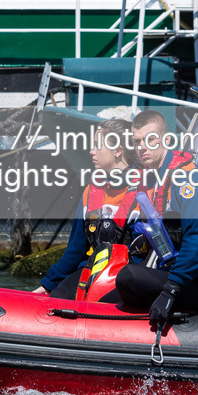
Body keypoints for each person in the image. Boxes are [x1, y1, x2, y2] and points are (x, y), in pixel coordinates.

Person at [114, 109, 198, 331]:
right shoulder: (153, 180)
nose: (142, 147)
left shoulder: (188, 178)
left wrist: (170, 291)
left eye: (149, 140)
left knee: (127, 278)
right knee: (120, 280)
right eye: (137, 142)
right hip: (173, 274)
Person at [32, 124, 133, 300]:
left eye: (97, 146)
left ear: (117, 151)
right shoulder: (91, 192)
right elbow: (76, 248)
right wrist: (49, 283)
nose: (91, 151)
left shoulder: (144, 192)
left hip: (127, 277)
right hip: (92, 273)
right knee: (58, 296)